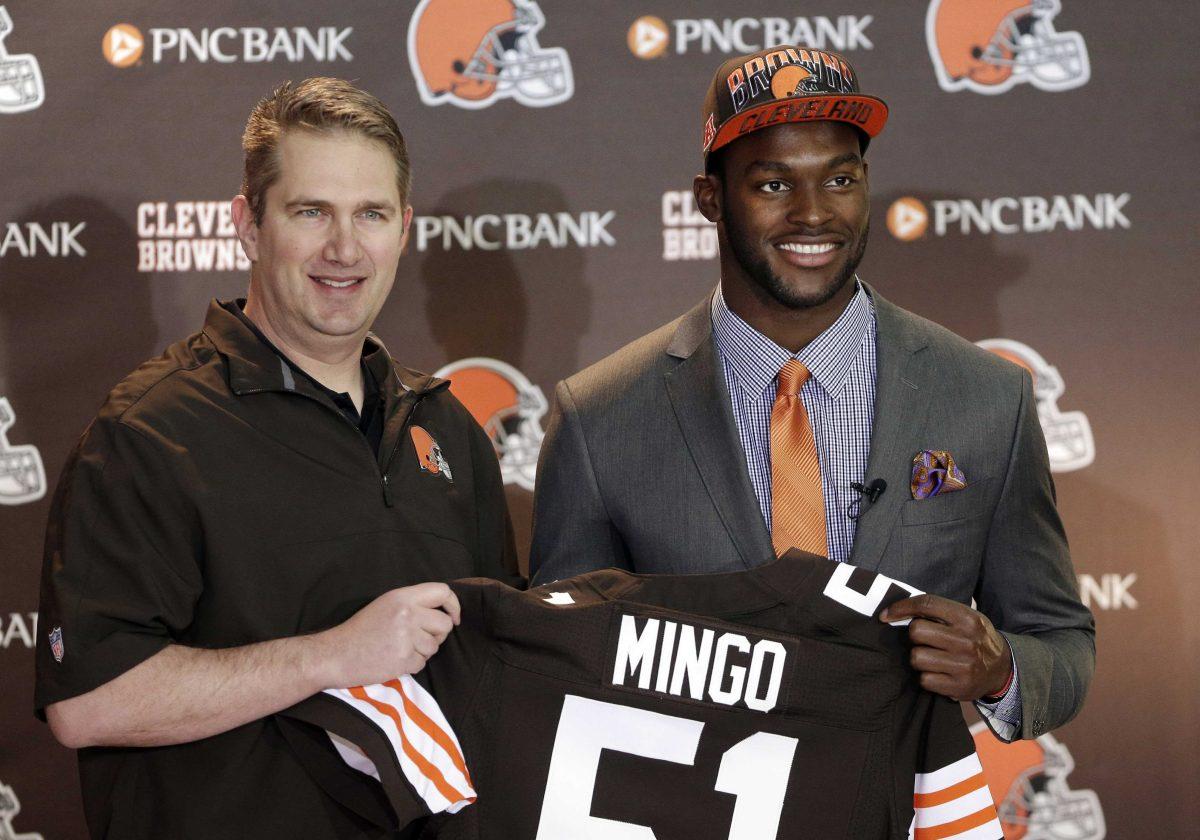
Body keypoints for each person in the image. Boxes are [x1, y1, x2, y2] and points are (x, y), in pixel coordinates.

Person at [529, 48, 1094, 743]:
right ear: (710, 199)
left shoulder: (986, 396)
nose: (813, 214)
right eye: (772, 185)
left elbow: (1060, 642)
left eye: (840, 178)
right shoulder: (601, 417)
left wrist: (1001, 670)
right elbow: (555, 670)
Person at [34, 78, 518, 838]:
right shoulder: (152, 430)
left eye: (371, 215)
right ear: (249, 226)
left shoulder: (446, 427)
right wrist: (331, 656)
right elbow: (88, 702)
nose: (345, 248)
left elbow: (501, 673)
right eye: (311, 211)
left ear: (404, 229)